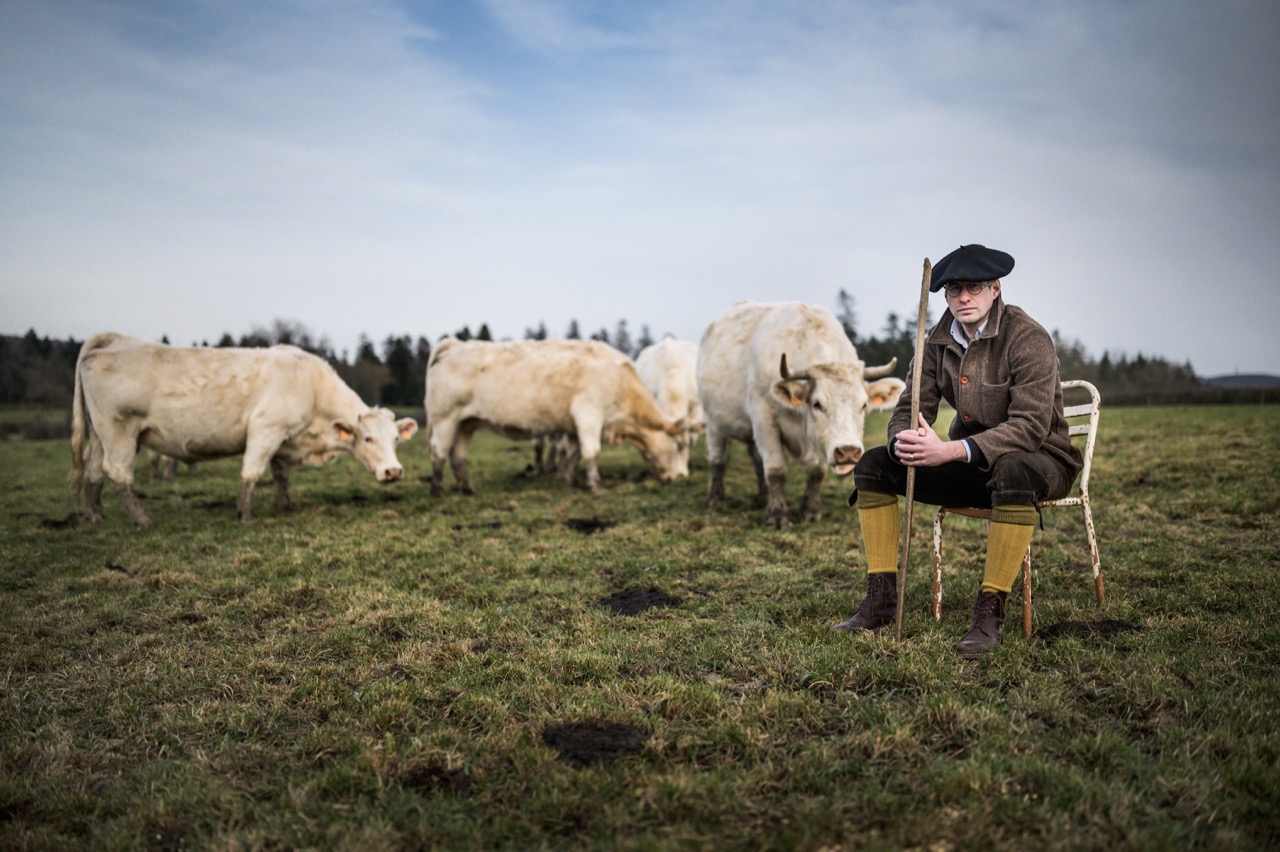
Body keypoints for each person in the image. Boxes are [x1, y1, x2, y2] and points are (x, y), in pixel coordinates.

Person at [831, 244, 1083, 658]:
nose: (963, 298)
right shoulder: (934, 342)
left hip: (1042, 460)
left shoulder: (1027, 337)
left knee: (1014, 469)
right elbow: (907, 410)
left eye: (974, 288)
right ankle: (880, 601)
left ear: (996, 288)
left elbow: (1031, 427)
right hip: (972, 467)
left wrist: (949, 451)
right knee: (875, 464)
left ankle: (990, 611)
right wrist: (904, 441)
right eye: (953, 290)